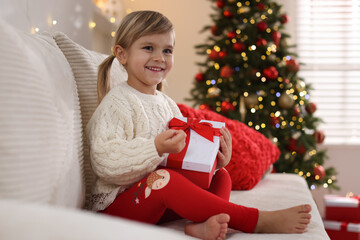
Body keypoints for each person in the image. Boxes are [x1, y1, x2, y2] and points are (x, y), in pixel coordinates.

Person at [86, 10, 312, 240]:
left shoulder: (167, 105)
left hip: (158, 203)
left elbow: (179, 162)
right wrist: (155, 148)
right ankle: (255, 221)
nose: (159, 57)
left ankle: (203, 224)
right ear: (121, 54)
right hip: (118, 208)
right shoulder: (117, 104)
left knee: (221, 176)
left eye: (167, 50)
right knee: (165, 179)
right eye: (148, 48)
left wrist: (212, 162)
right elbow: (105, 162)